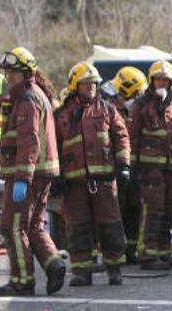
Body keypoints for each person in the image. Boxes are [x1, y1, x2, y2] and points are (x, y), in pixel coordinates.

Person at [0, 47, 66, 296]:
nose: (8, 77)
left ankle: (22, 281)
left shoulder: (27, 100)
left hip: (26, 175)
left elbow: (29, 140)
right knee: (33, 226)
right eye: (7, 72)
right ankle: (53, 264)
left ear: (26, 73)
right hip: (39, 173)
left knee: (13, 227)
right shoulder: (34, 95)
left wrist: (22, 178)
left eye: (13, 72)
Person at [54, 62, 131, 286]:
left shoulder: (108, 109)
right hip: (74, 183)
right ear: (74, 85)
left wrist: (124, 165)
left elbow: (121, 137)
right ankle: (81, 271)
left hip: (105, 181)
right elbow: (53, 146)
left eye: (94, 84)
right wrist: (56, 175)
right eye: (86, 84)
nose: (91, 88)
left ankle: (115, 269)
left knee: (110, 225)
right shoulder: (61, 115)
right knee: (78, 227)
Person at [129, 60, 172, 270]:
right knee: (153, 210)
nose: (162, 83)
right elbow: (132, 137)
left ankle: (164, 252)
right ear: (151, 81)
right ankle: (148, 254)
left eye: (166, 79)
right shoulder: (141, 105)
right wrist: (132, 167)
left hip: (171, 168)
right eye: (159, 79)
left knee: (169, 211)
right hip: (150, 168)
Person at [108, 66, 148, 264]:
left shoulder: (140, 108)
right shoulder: (110, 108)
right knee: (118, 210)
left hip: (137, 168)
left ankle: (131, 250)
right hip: (116, 167)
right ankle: (117, 251)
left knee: (135, 209)